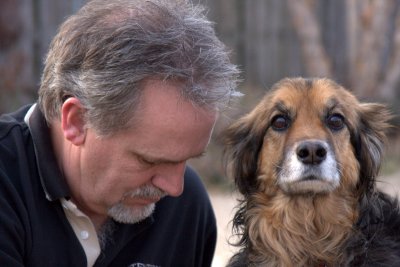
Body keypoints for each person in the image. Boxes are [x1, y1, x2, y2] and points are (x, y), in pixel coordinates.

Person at [0, 0, 239, 266]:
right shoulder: (7, 184)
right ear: (77, 121)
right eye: (150, 160)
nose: (175, 187)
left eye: (187, 159)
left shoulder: (186, 208)